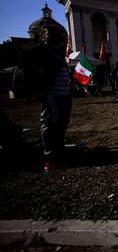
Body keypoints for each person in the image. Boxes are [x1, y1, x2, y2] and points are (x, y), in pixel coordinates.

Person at [14, 25, 72, 171]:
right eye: (60, 35)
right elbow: (29, 62)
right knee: (51, 123)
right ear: (49, 36)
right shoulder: (43, 50)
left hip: (62, 95)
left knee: (60, 123)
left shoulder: (55, 51)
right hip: (53, 94)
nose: (63, 38)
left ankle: (58, 151)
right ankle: (50, 157)